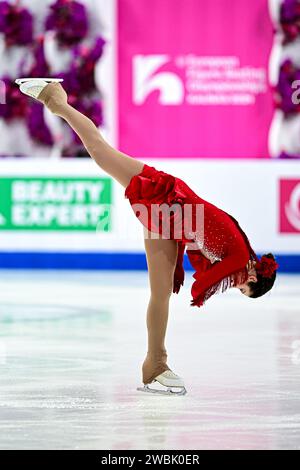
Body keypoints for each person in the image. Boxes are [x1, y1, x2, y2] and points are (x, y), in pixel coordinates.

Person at [17, 80, 279, 396]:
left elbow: (195, 228)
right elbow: (202, 285)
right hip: (168, 196)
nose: (236, 286)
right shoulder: (238, 258)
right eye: (243, 287)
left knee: (161, 293)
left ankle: (155, 365)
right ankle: (55, 99)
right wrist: (204, 285)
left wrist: (178, 268)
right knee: (101, 152)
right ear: (252, 276)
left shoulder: (236, 248)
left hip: (173, 218)